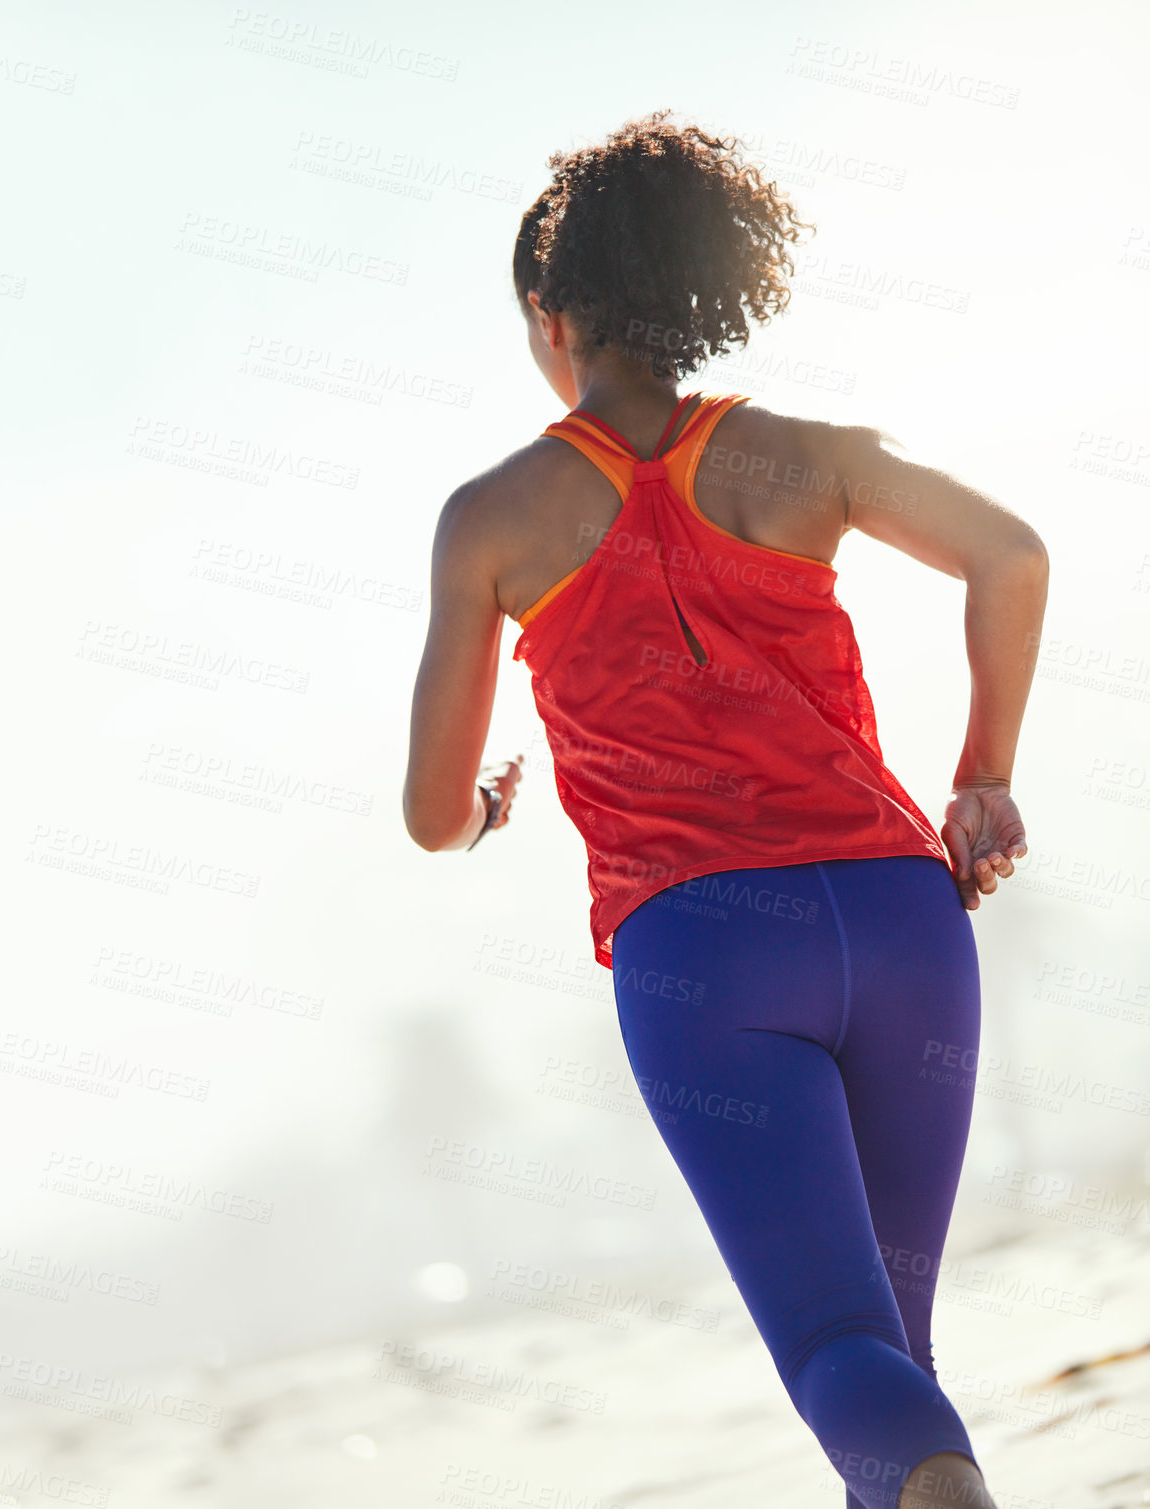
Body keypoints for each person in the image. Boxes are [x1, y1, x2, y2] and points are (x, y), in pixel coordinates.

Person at [402, 110, 1047, 1509]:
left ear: (548, 310)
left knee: (838, 1344)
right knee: (895, 1356)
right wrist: (984, 770)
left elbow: (429, 811)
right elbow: (1011, 553)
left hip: (706, 952)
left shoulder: (490, 519)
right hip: (902, 918)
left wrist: (488, 817)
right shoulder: (808, 456)